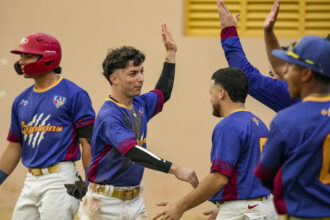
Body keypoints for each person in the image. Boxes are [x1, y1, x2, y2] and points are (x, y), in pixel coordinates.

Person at [78, 24, 199, 220]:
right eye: (133, 74)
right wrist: (175, 169)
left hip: (134, 199)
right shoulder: (110, 114)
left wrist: (171, 54)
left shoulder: (139, 104)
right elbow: (132, 151)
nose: (141, 78)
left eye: (141, 71)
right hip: (103, 204)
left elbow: (163, 93)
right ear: (114, 79)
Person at [152, 67, 278, 220]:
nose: (210, 99)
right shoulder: (259, 124)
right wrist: (224, 206)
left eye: (211, 93)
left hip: (245, 211)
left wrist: (180, 206)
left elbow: (219, 178)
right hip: (264, 208)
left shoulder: (229, 126)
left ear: (221, 93)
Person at [0, 33, 95, 220]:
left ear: (48, 58)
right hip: (30, 180)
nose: (21, 62)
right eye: (21, 56)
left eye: (28, 56)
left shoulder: (74, 94)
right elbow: (14, 147)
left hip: (60, 179)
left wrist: (92, 186)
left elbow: (88, 144)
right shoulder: (21, 101)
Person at [254, 35, 330, 219]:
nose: (285, 74)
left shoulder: (287, 120)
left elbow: (264, 174)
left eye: (291, 67)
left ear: (306, 74)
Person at [218, 0, 298, 112]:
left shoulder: (298, 95)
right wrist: (268, 32)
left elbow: (248, 77)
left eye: (278, 71)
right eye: (271, 74)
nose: (273, 79)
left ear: (306, 73)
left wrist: (229, 32)